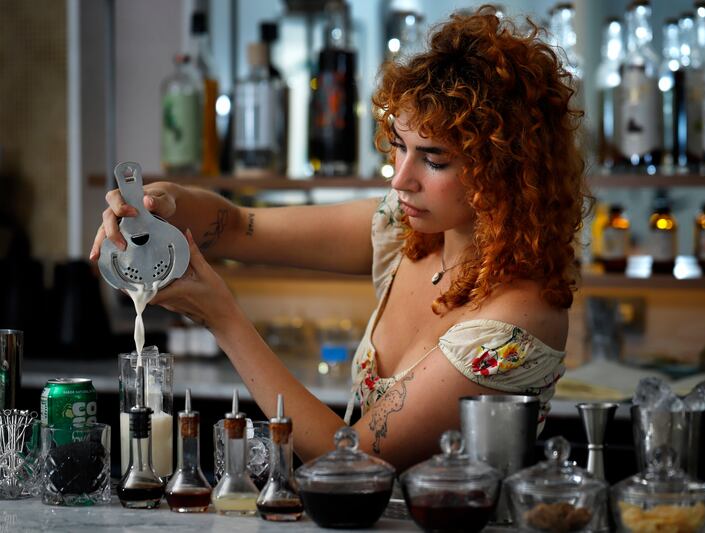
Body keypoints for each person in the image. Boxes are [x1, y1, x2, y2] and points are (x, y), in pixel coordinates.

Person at [90, 6, 590, 472]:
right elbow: (241, 225)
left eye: (433, 160)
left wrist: (222, 319)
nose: (401, 179)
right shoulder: (406, 231)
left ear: (505, 168)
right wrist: (164, 201)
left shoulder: (513, 320)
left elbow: (350, 459)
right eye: (400, 147)